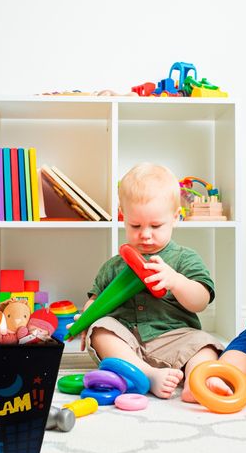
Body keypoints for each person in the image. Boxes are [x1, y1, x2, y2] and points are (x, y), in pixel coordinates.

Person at [75, 163, 228, 400]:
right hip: (127, 340)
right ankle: (147, 374)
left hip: (174, 337)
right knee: (100, 329)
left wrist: (176, 281)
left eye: (156, 226)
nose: (145, 234)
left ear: (176, 217)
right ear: (123, 217)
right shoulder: (114, 265)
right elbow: (96, 300)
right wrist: (86, 318)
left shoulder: (184, 259)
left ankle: (199, 381)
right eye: (135, 225)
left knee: (205, 344)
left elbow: (201, 301)